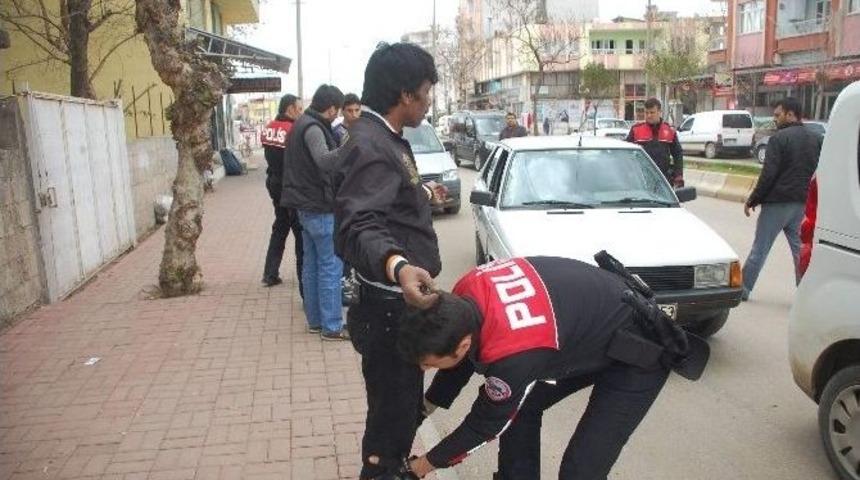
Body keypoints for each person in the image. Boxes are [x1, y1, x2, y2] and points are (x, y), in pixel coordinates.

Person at [392, 255, 704, 480]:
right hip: (584, 333)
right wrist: (422, 411)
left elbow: (485, 425)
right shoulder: (464, 295)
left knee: (581, 470)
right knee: (524, 408)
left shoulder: (513, 354)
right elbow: (459, 360)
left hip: (639, 355)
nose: (425, 368)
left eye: (427, 363)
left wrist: (420, 468)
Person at [334, 42, 447, 480]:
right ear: (405, 95)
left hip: (393, 307)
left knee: (397, 414)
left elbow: (382, 204)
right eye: (426, 91)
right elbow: (357, 224)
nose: (429, 100)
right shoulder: (372, 145)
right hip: (388, 310)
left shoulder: (383, 138)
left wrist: (418, 196)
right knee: (391, 422)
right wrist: (399, 266)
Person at [281, 84, 348, 340]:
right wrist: (348, 147)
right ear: (330, 108)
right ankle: (332, 326)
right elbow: (323, 160)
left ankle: (316, 321)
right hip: (319, 207)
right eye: (337, 110)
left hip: (305, 206)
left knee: (312, 265)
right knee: (330, 266)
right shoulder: (312, 128)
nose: (337, 115)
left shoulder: (301, 123)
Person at [741, 97, 821, 301]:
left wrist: (753, 199)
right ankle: (805, 292)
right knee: (799, 250)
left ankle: (742, 289)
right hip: (802, 204)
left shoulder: (779, 139)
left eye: (778, 115)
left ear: (791, 114)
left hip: (777, 203)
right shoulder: (816, 138)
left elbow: (769, 174)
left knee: (760, 248)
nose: (775, 119)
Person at [260, 94, 304, 291]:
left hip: (273, 183)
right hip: (289, 186)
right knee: (299, 230)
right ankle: (304, 274)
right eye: (299, 109)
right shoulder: (293, 130)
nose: (301, 113)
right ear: (290, 109)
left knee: (280, 226)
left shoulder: (269, 128)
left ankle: (270, 273)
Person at [625, 98, 684, 187]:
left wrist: (678, 175)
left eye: (652, 112)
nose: (648, 115)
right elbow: (626, 152)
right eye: (646, 113)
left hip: (664, 179)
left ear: (659, 112)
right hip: (642, 180)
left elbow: (678, 154)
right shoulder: (636, 130)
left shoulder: (669, 130)